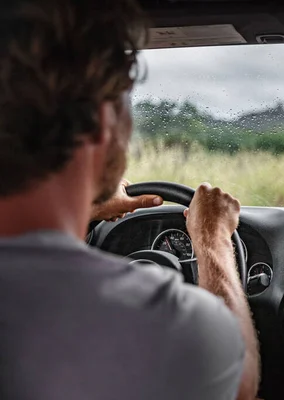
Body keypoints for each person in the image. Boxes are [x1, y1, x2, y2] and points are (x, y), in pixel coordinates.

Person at [0, 1, 260, 400]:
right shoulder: (161, 325)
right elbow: (240, 381)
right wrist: (212, 239)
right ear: (102, 124)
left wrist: (82, 212)